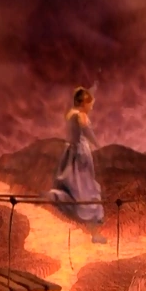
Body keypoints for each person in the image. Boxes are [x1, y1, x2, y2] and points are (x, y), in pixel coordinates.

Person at [46, 84, 107, 244]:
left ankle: (90, 231)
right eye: (90, 104)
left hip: (70, 153)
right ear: (83, 103)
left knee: (74, 189)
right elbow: (89, 134)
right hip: (81, 155)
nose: (91, 107)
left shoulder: (70, 114)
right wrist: (99, 146)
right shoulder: (81, 116)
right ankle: (94, 233)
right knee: (88, 190)